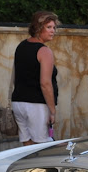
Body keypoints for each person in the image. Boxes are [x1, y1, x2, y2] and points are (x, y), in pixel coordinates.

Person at [11, 11, 59, 145]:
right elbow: (45, 83)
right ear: (38, 28)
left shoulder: (21, 46)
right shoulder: (44, 51)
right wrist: (52, 111)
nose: (53, 31)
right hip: (36, 105)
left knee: (27, 146)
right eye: (48, 27)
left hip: (18, 102)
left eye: (54, 27)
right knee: (41, 147)